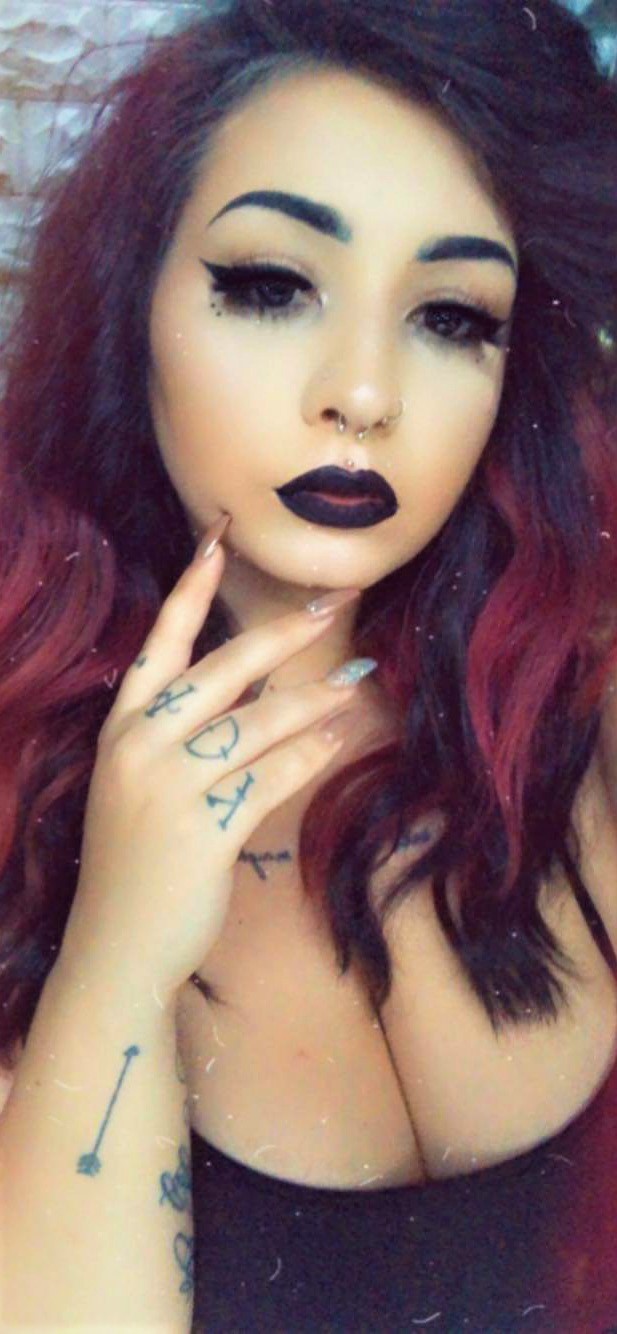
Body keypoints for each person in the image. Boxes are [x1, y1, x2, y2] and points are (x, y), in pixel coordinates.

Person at [0, 0, 616, 1327]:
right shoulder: (15, 783)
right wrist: (115, 956)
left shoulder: (577, 710)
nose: (365, 393)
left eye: (451, 315)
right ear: (129, 309)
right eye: (272, 286)